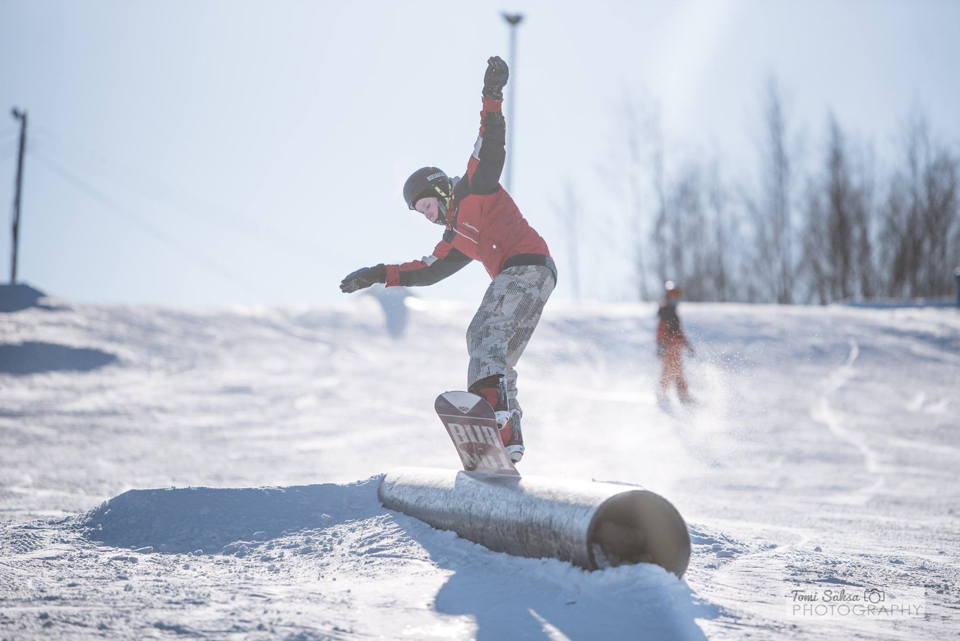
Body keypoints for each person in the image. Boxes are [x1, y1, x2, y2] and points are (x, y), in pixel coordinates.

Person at [339, 56, 556, 464]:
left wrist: (492, 95)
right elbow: (425, 271)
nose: (428, 216)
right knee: (500, 357)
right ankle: (509, 436)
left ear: (439, 191)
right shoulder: (455, 239)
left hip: (526, 264)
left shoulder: (475, 187)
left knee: (482, 333)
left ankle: (493, 413)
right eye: (421, 213)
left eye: (426, 207)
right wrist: (375, 274)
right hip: (535, 278)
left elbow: (489, 143)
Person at [656, 281, 695, 405]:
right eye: (674, 296)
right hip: (668, 345)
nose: (676, 299)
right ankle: (662, 392)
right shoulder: (666, 311)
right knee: (669, 370)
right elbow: (661, 328)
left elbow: (678, 332)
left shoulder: (673, 312)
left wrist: (687, 344)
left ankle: (683, 395)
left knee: (677, 370)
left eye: (677, 297)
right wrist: (661, 343)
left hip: (675, 345)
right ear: (669, 296)